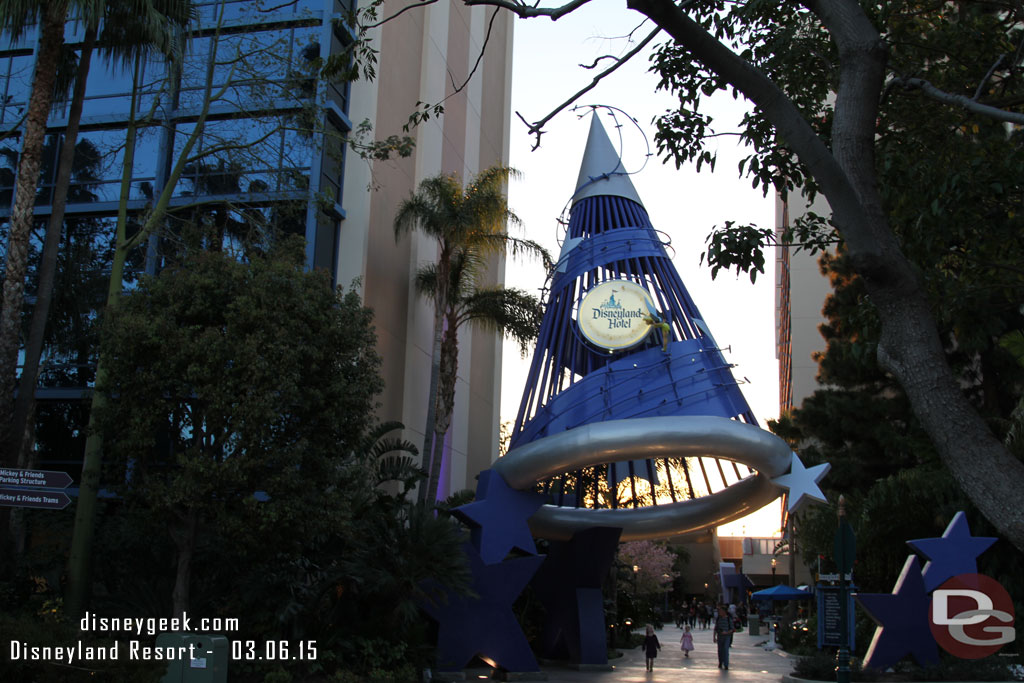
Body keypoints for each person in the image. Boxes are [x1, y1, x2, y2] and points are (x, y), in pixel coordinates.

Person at [713, 604, 735, 670]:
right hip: (720, 636)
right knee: (720, 650)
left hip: (727, 637)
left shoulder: (728, 619)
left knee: (725, 649)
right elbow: (716, 628)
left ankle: (726, 664)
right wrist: (714, 637)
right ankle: (720, 662)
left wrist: (727, 632)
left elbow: (732, 629)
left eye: (721, 611)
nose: (720, 613)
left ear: (724, 611)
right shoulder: (718, 619)